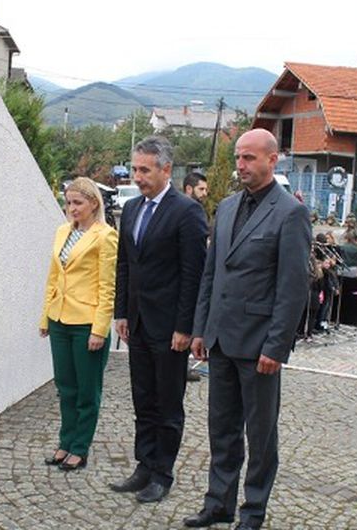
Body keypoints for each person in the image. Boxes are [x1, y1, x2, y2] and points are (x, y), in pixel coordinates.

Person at [184, 129, 311, 529]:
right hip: (220, 341)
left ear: (273, 160)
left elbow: (292, 289)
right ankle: (217, 503)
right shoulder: (226, 207)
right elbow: (211, 273)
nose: (241, 166)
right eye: (238, 158)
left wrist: (277, 347)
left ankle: (252, 511)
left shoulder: (290, 213)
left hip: (259, 348)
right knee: (221, 430)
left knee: (260, 437)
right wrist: (201, 328)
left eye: (250, 158)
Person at [110, 136, 208, 503]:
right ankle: (144, 465)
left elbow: (192, 275)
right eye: (135, 168)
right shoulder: (132, 209)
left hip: (169, 328)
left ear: (166, 170)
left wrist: (186, 327)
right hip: (136, 322)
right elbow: (124, 265)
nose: (137, 176)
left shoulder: (187, 212)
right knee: (143, 399)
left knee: (168, 404)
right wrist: (121, 312)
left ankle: (162, 474)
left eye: (144, 170)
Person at [39, 177, 118, 471]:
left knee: (87, 390)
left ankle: (80, 447)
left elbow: (107, 286)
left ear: (93, 203)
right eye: (68, 202)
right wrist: (45, 315)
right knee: (65, 387)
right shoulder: (62, 232)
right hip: (59, 319)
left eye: (78, 203)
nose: (71, 208)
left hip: (87, 323)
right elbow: (53, 277)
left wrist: (100, 329)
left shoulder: (105, 236)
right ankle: (65, 441)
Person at [182, 171, 209, 382]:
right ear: (189, 189)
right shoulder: (189, 211)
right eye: (201, 189)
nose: (205, 193)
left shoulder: (197, 210)